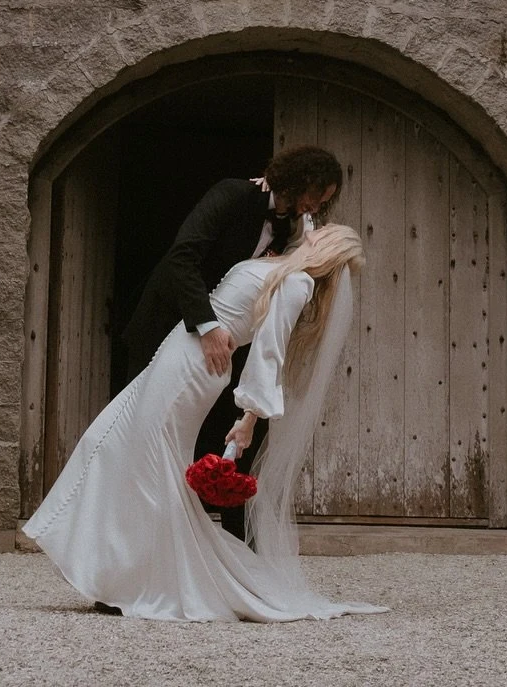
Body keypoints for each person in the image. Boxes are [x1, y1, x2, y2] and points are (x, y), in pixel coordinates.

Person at [23, 224, 385, 621]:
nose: (318, 224)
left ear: (328, 246)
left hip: (197, 368)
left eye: (326, 228)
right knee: (109, 440)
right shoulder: (281, 263)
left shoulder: (297, 283)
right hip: (179, 350)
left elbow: (270, 351)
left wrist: (248, 419)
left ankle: (138, 580)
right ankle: (117, 568)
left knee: (150, 463)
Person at [119, 143, 343, 383]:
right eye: (317, 196)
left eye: (323, 203)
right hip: (164, 325)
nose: (317, 207)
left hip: (217, 349)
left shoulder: (288, 229)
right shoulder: (233, 194)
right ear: (301, 178)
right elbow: (182, 257)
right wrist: (208, 327)